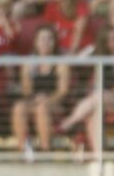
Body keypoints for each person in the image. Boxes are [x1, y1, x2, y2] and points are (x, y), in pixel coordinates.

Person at [11, 25, 70, 161]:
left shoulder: (61, 63)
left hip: (55, 104)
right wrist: (30, 74)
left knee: (42, 109)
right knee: (19, 107)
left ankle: (45, 150)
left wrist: (48, 100)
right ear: (36, 42)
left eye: (49, 39)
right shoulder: (29, 63)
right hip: (34, 101)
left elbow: (63, 91)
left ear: (54, 42)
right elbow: (26, 91)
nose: (45, 42)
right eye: (42, 39)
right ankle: (24, 150)